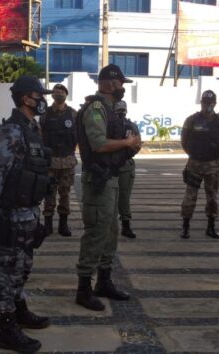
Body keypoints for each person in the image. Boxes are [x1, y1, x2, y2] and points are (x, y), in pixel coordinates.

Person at [0, 76, 53, 353]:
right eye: (39, 95)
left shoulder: (31, 128)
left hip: (28, 211)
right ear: (27, 99)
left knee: (23, 266)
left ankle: (20, 308)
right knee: (7, 269)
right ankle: (7, 326)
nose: (43, 100)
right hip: (12, 212)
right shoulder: (12, 130)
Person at [75, 64, 141, 311]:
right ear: (110, 84)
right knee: (96, 233)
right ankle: (83, 289)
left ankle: (103, 281)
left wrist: (131, 145)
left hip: (112, 179)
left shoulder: (112, 111)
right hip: (98, 181)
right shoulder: (95, 109)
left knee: (111, 232)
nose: (122, 88)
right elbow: (99, 144)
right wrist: (126, 142)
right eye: (120, 83)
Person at [179, 90, 219, 239]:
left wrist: (215, 156)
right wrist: (194, 155)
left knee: (212, 197)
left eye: (210, 103)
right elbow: (184, 141)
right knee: (190, 196)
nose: (207, 105)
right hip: (194, 164)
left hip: (213, 166)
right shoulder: (191, 120)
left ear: (214, 103)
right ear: (201, 103)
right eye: (204, 102)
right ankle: (185, 227)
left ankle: (211, 227)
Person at [40, 84, 78, 237]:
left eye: (62, 91)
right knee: (49, 192)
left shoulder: (74, 114)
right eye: (56, 91)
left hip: (67, 160)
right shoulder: (45, 114)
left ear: (66, 94)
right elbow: (40, 134)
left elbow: (79, 135)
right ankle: (48, 225)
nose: (59, 93)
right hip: (50, 161)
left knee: (65, 193)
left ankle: (63, 225)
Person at [115, 100, 141, 238]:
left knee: (124, 197)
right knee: (109, 198)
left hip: (125, 165)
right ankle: (110, 226)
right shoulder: (108, 125)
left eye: (122, 111)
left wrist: (126, 150)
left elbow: (137, 145)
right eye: (118, 111)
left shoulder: (131, 126)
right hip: (111, 166)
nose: (121, 114)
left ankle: (126, 225)